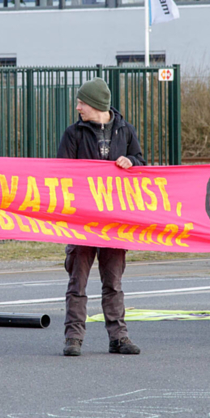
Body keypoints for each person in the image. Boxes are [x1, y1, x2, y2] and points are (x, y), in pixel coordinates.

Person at [57, 77, 145, 357]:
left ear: (95, 105)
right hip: (81, 221)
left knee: (114, 283)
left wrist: (132, 161)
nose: (77, 107)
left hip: (115, 221)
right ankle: (73, 338)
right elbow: (61, 172)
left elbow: (141, 162)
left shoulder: (126, 130)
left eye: (81, 103)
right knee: (77, 282)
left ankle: (119, 337)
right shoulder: (73, 134)